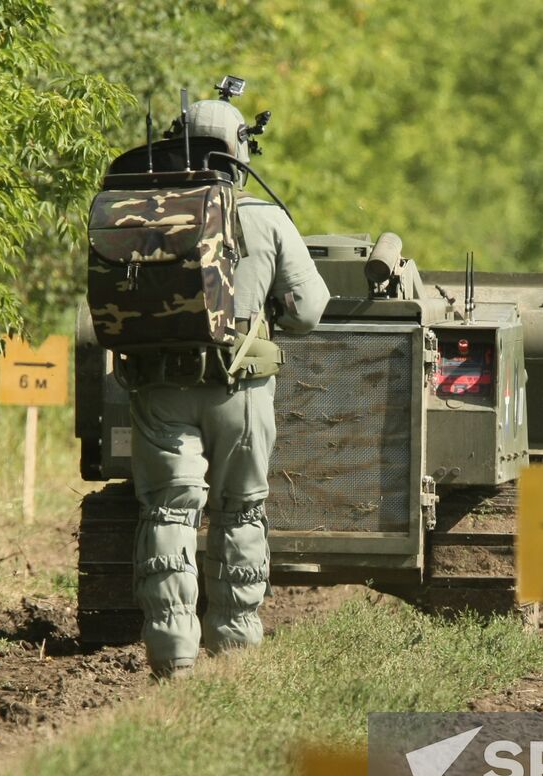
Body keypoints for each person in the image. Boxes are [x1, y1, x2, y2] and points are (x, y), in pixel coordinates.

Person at [128, 96, 329, 679]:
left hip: (159, 389)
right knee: (240, 514)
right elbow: (310, 311)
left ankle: (173, 659)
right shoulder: (264, 219)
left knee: (169, 510)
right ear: (241, 154)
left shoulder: (144, 212)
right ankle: (236, 653)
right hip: (240, 392)